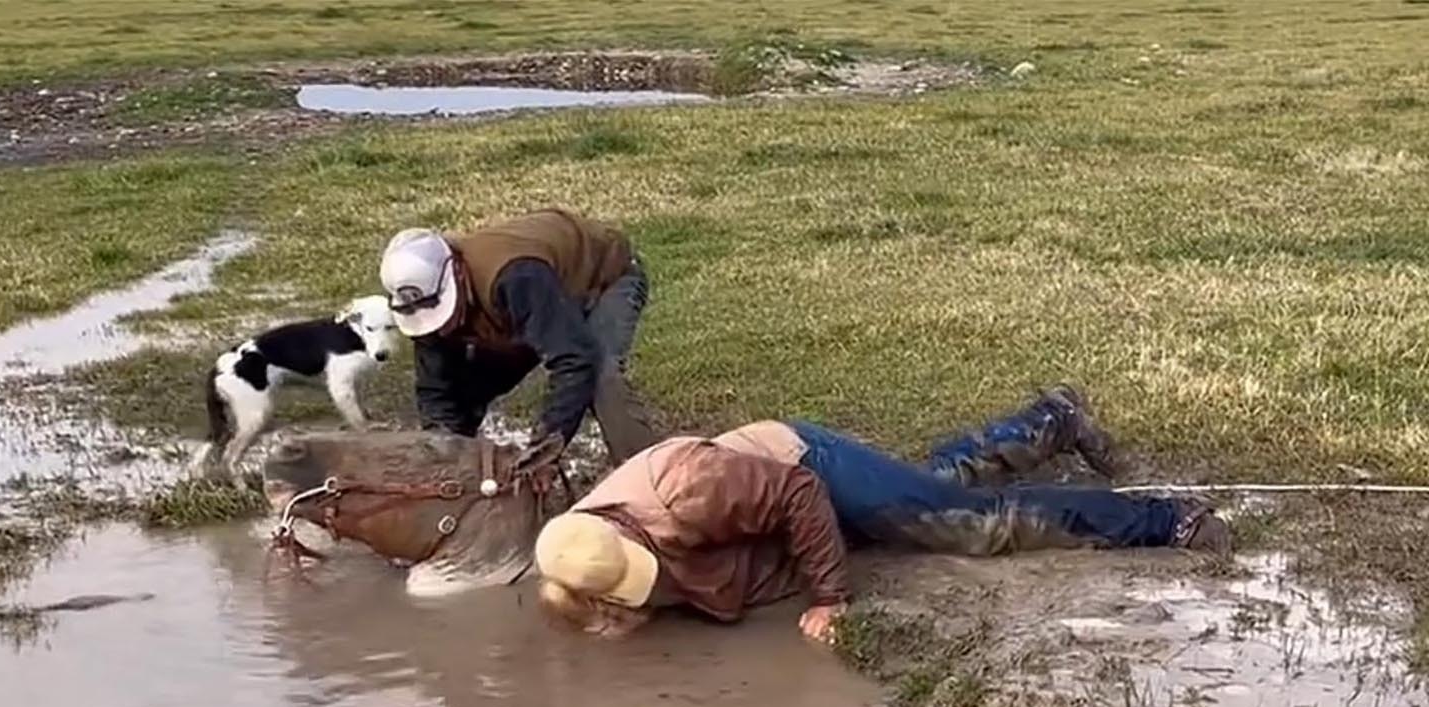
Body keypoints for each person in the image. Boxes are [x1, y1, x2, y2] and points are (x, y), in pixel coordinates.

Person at [530, 385, 1229, 642]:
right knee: (931, 490)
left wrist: (830, 597)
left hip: (804, 467)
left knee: (970, 524)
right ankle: (1053, 419)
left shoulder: (688, 490)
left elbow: (798, 498)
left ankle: (1168, 519)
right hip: (770, 490)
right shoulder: (576, 543)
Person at [378, 207, 657, 471]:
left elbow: (574, 360)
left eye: (442, 315)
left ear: (457, 276)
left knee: (601, 376)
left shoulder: (516, 277)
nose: (440, 330)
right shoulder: (422, 301)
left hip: (598, 280)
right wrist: (445, 457)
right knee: (463, 391)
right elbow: (436, 391)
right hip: (530, 306)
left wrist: (544, 450)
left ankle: (655, 483)